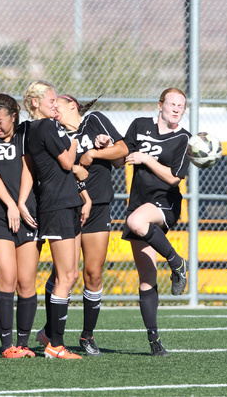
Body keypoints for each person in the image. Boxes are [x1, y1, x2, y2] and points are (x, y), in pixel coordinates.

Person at [113, 87, 190, 356]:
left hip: (165, 203)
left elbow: (173, 178)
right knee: (146, 276)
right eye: (172, 103)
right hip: (139, 203)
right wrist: (105, 145)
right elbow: (120, 159)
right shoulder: (140, 125)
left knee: (135, 221)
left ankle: (177, 261)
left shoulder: (183, 138)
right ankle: (155, 342)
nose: (177, 108)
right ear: (160, 105)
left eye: (181, 105)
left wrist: (146, 158)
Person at [20, 80, 90, 359]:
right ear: (35, 102)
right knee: (64, 276)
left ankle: (50, 335)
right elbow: (66, 162)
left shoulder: (44, 127)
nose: (55, 104)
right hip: (56, 206)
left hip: (68, 202)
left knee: (71, 274)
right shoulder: (45, 126)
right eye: (50, 100)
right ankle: (55, 344)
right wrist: (73, 143)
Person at [55, 94, 128, 356]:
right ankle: (53, 334)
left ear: (72, 105)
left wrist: (95, 152)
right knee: (63, 275)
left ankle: (87, 336)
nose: (55, 110)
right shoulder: (54, 131)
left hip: (98, 206)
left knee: (93, 274)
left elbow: (122, 151)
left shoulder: (95, 120)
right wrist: (77, 167)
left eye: (58, 105)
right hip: (67, 206)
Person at [0, 93, 41, 358]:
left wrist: (20, 204)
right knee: (7, 278)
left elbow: (28, 168)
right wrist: (9, 205)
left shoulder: (26, 134)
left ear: (14, 117)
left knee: (26, 282)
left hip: (26, 212)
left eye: (0, 121)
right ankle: (7, 346)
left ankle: (24, 344)